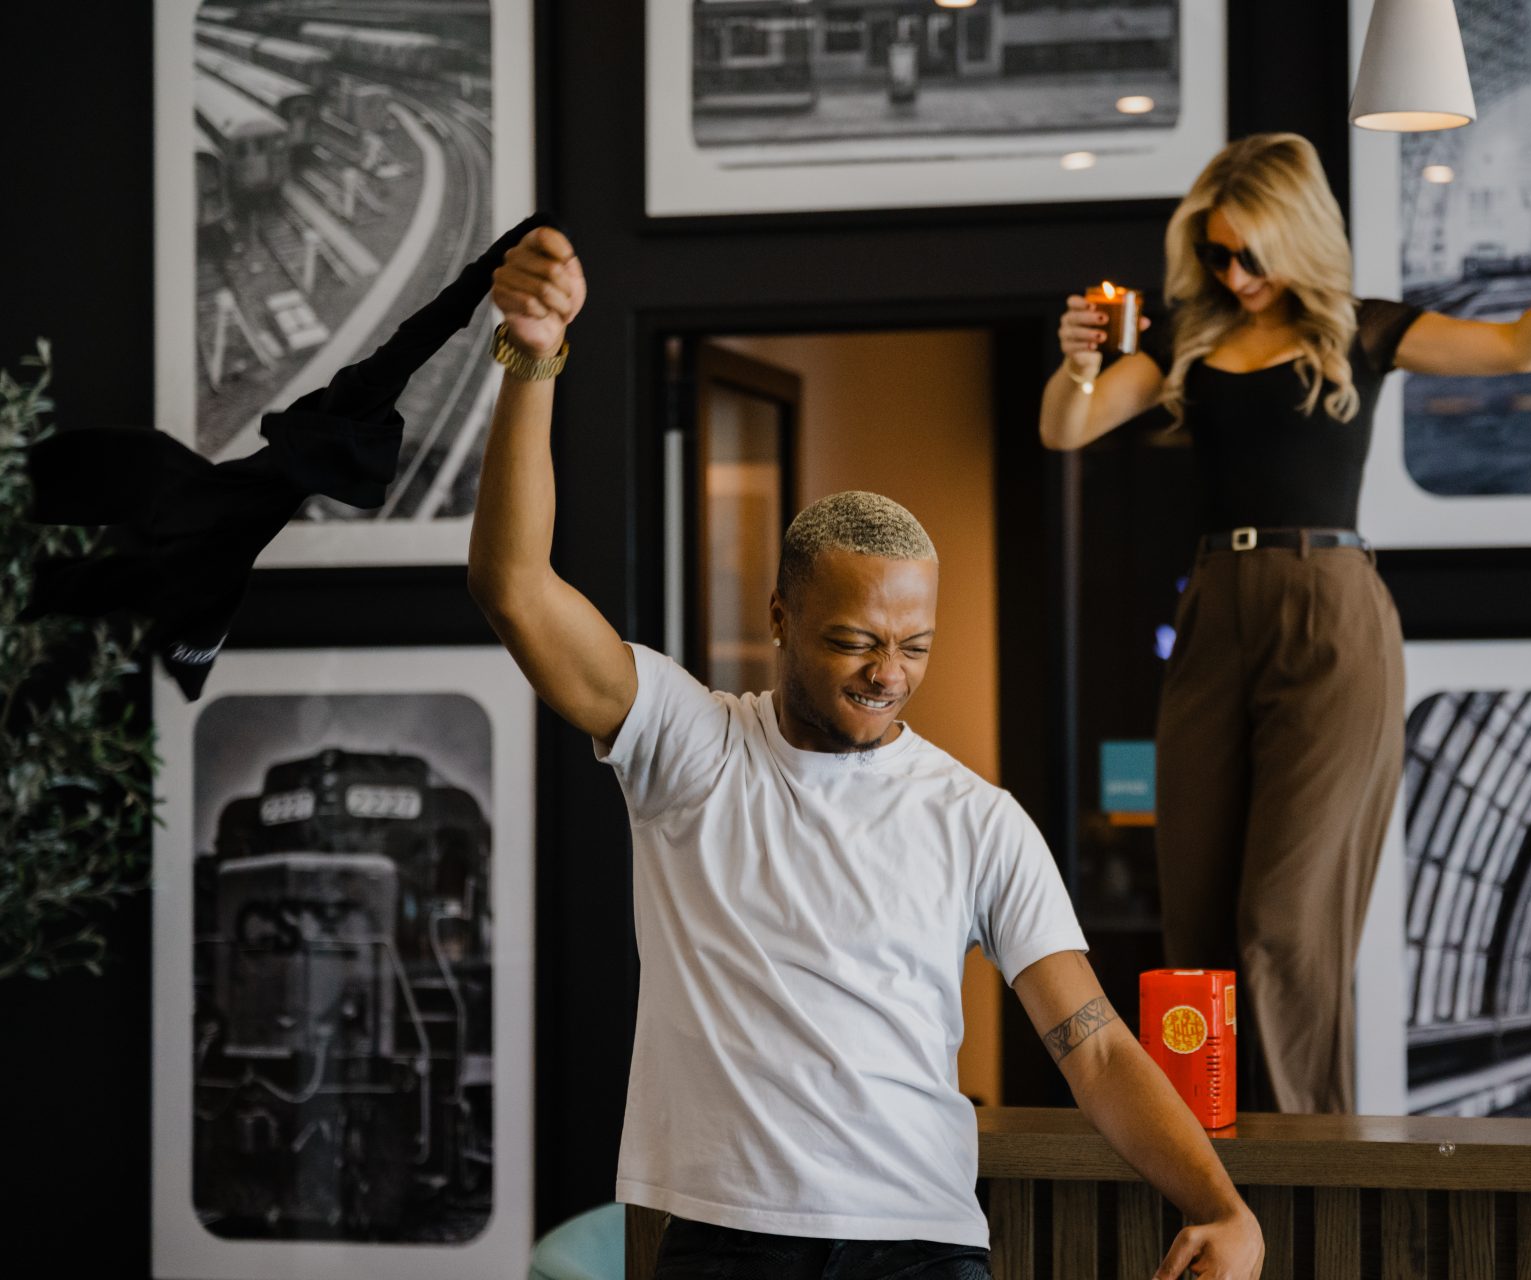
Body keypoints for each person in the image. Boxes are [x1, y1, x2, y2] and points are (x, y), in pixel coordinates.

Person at [470, 227, 1265, 1279]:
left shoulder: (976, 815)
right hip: (729, 1241)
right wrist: (533, 357)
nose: (888, 671)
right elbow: (515, 586)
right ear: (782, 619)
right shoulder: (691, 746)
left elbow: (1095, 1040)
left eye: (914, 644)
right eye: (853, 639)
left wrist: (1220, 1205)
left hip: (923, 1243)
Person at [1038, 132, 1531, 1114]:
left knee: (1283, 915)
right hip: (1214, 612)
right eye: (1219, 252)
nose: (1235, 272)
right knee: (1196, 913)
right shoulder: (1189, 342)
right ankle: (1208, 1149)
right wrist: (1084, 364)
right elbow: (1065, 426)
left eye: (1251, 253)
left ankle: (1298, 1162)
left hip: (1331, 613)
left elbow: (1517, 345)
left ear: (1297, 237)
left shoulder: (1359, 331)